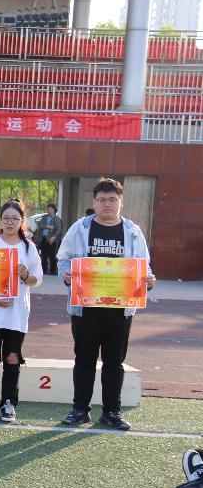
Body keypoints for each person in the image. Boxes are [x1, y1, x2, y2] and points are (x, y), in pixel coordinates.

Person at [58, 177, 155, 430]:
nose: (107, 204)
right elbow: (64, 259)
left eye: (112, 199)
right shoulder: (80, 228)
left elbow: (143, 265)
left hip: (120, 308)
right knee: (84, 358)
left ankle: (112, 411)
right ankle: (80, 409)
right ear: (94, 202)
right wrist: (66, 275)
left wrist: (148, 279)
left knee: (114, 361)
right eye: (102, 200)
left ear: (121, 202)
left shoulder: (132, 231)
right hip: (85, 307)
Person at [0, 200, 43, 423]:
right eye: (6, 218)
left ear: (22, 221)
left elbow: (37, 279)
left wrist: (25, 276)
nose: (10, 222)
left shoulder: (28, 247)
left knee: (12, 356)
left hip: (16, 312)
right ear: (0, 220)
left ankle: (8, 403)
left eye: (15, 219)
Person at [35, 203, 63, 275]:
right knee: (43, 255)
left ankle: (53, 271)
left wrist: (54, 237)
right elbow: (40, 225)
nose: (48, 210)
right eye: (47, 209)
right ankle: (44, 270)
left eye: (50, 209)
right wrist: (48, 226)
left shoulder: (56, 218)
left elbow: (59, 229)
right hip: (43, 238)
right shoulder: (44, 217)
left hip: (52, 239)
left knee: (52, 255)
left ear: (54, 210)